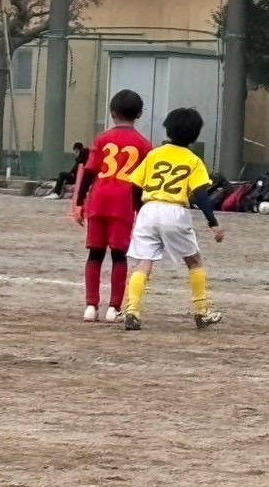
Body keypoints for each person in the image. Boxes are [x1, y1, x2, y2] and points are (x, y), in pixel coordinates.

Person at [120, 108, 223, 331]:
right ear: (195, 135)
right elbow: (200, 194)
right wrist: (212, 222)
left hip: (149, 209)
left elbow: (135, 185)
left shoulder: (154, 154)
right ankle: (202, 311)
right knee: (194, 261)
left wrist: (139, 209)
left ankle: (132, 310)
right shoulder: (193, 160)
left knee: (143, 262)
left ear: (167, 129)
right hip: (175, 211)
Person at [73, 91, 151, 322]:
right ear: (139, 114)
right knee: (119, 255)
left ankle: (90, 306)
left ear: (112, 113)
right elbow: (141, 184)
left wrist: (79, 203)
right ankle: (113, 308)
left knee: (95, 253)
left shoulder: (102, 139)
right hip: (123, 202)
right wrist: (141, 210)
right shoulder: (144, 144)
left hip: (98, 199)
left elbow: (89, 172)